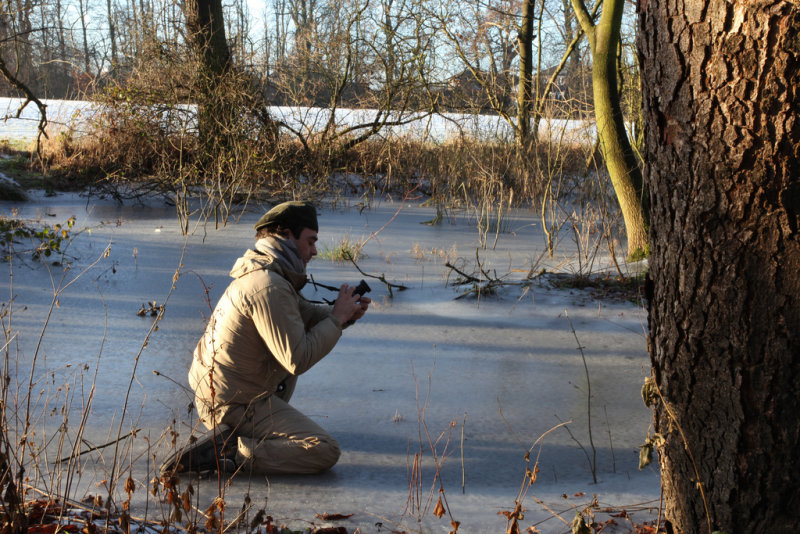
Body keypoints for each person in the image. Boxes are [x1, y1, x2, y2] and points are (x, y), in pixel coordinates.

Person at [160, 201, 369, 476]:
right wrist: (336, 320)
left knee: (295, 334)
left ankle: (234, 438)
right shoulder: (269, 286)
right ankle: (232, 452)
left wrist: (344, 313)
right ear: (285, 235)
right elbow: (298, 358)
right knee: (323, 448)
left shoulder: (265, 276)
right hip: (233, 406)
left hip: (221, 398)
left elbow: (304, 315)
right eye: (310, 241)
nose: (314, 251)